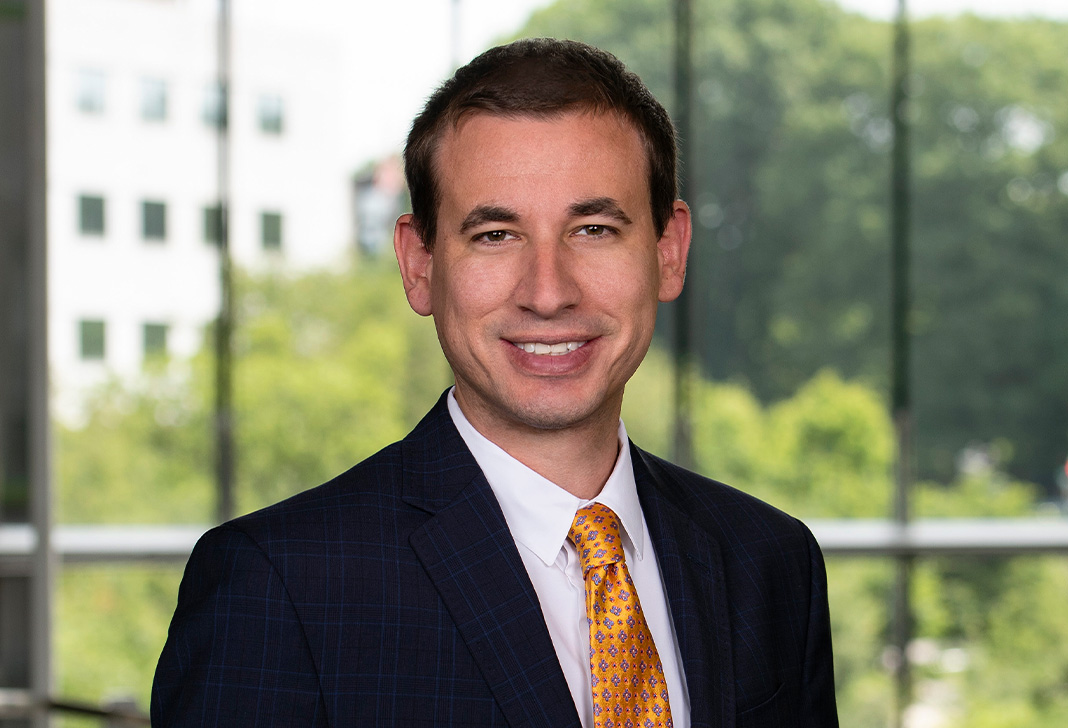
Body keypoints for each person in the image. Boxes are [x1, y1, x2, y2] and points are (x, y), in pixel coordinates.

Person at [152, 38, 838, 727]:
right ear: (419, 265)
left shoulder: (770, 563)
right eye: (495, 236)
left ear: (668, 252)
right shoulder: (278, 585)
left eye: (594, 229)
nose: (548, 292)